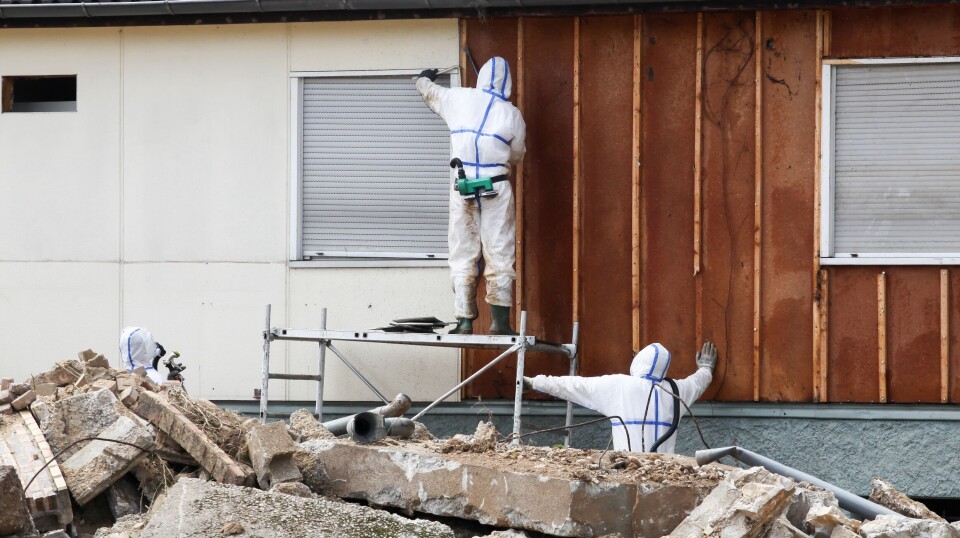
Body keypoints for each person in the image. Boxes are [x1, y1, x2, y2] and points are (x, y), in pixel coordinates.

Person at [416, 57, 526, 335]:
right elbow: (518, 155)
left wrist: (425, 75)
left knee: (462, 252)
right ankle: (500, 324)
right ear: (508, 83)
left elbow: (426, 89)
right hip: (496, 187)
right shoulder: (511, 113)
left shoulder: (458, 98)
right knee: (499, 253)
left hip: (462, 187)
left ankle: (464, 321)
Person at [523, 342, 717, 454]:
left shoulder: (620, 385)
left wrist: (534, 382)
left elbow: (573, 385)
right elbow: (698, 382)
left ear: (638, 361)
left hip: (627, 469)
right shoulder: (676, 389)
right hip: (664, 471)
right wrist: (706, 367)